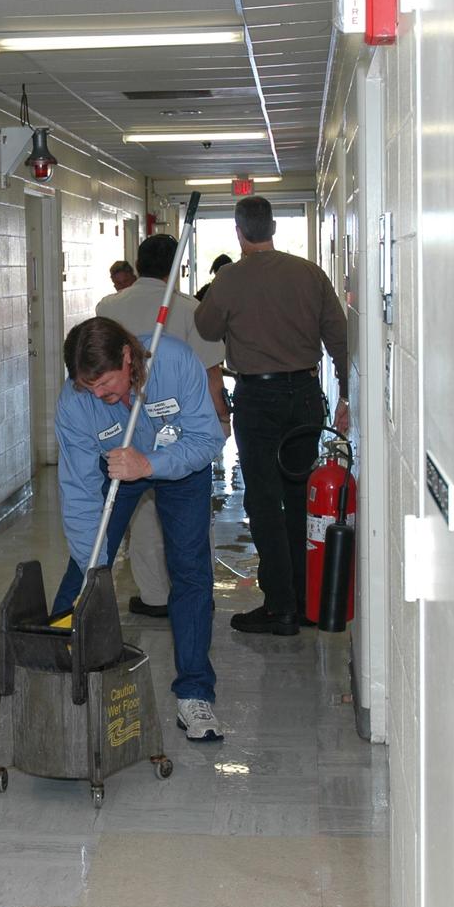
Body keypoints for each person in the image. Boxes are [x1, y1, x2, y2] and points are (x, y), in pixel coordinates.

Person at [52, 316, 226, 740]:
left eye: (106, 384)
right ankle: (59, 672)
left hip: (181, 462)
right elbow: (77, 491)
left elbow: (208, 441)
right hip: (114, 467)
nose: (99, 395)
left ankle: (194, 694)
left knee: (189, 569)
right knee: (87, 563)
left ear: (128, 357)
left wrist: (150, 465)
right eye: (87, 387)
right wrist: (91, 562)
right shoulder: (75, 403)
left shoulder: (173, 361)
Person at [195, 196, 350, 636]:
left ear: (239, 232)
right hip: (303, 393)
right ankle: (304, 599)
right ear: (275, 228)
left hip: (257, 397)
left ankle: (279, 605)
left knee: (263, 499)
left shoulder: (229, 278)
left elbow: (206, 329)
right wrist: (346, 398)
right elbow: (339, 337)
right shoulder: (309, 274)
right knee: (300, 497)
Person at [97, 235, 231, 618]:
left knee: (138, 516)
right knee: (188, 514)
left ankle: (154, 596)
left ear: (138, 265)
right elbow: (211, 373)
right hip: (179, 428)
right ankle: (189, 593)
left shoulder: (108, 305)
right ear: (177, 266)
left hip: (125, 424)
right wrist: (222, 419)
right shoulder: (189, 308)